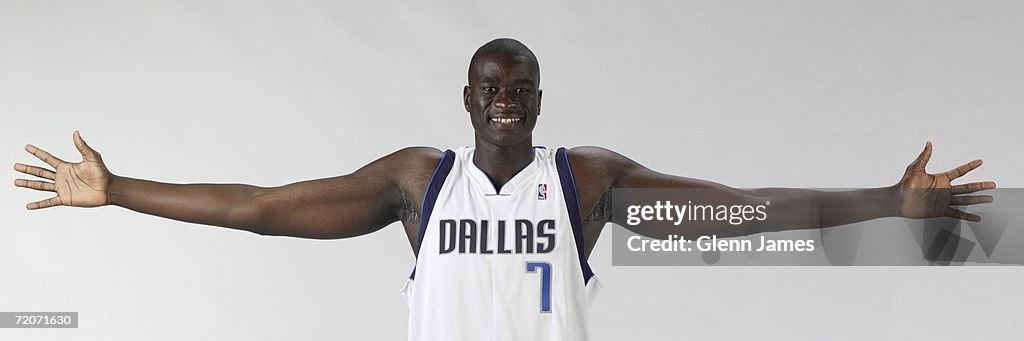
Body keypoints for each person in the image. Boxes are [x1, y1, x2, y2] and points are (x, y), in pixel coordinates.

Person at [13, 38, 996, 340]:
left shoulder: (586, 181)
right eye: (491, 86)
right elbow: (262, 207)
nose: (506, 99)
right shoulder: (416, 181)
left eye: (521, 87)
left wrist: (886, 200)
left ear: (539, 98)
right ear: (468, 98)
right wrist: (119, 187)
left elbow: (741, 209)